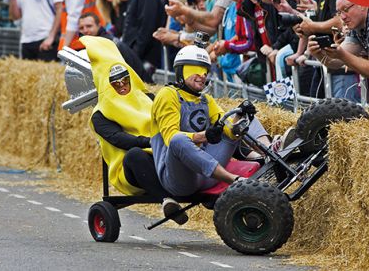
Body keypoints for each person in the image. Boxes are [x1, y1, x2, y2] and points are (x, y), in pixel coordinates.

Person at [150, 42, 271, 204]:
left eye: (206, 71)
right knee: (177, 140)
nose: (203, 75)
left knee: (242, 116)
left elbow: (230, 130)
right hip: (179, 180)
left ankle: (271, 152)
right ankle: (234, 180)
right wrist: (204, 136)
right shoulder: (167, 95)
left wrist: (240, 116)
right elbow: (170, 137)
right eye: (197, 70)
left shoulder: (206, 100)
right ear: (181, 70)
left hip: (208, 175)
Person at [82, 36, 171, 209]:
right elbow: (119, 139)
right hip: (132, 169)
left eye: (125, 80)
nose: (122, 86)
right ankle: (167, 200)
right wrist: (153, 141)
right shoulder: (99, 115)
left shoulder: (147, 98)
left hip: (163, 154)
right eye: (116, 83)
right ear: (107, 85)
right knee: (135, 155)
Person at [79, 13, 148, 83]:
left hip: (141, 82)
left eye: (89, 26)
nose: (85, 30)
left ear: (99, 26)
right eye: (81, 28)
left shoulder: (104, 43)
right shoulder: (103, 40)